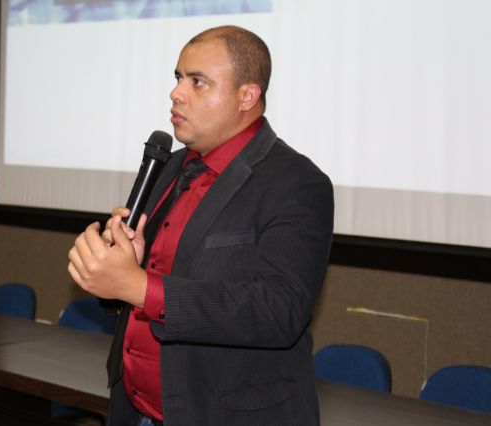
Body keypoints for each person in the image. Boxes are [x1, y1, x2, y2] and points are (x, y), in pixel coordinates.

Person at [68, 25, 334, 426]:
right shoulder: (170, 166)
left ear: (247, 96)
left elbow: (279, 311)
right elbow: (144, 289)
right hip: (136, 411)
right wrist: (119, 270)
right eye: (178, 77)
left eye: (197, 81)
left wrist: (137, 286)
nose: (176, 93)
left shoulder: (295, 182)